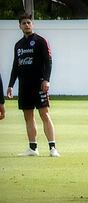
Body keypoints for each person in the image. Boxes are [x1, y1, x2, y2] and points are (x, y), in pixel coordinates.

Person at [7, 13, 60, 157]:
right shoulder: (18, 45)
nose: (26, 25)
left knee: (44, 114)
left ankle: (53, 148)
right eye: (23, 23)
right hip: (24, 87)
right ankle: (33, 148)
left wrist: (46, 80)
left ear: (33, 24)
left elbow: (48, 61)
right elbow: (15, 66)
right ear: (20, 26)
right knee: (28, 116)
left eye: (28, 22)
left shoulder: (41, 41)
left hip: (39, 85)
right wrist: (11, 85)